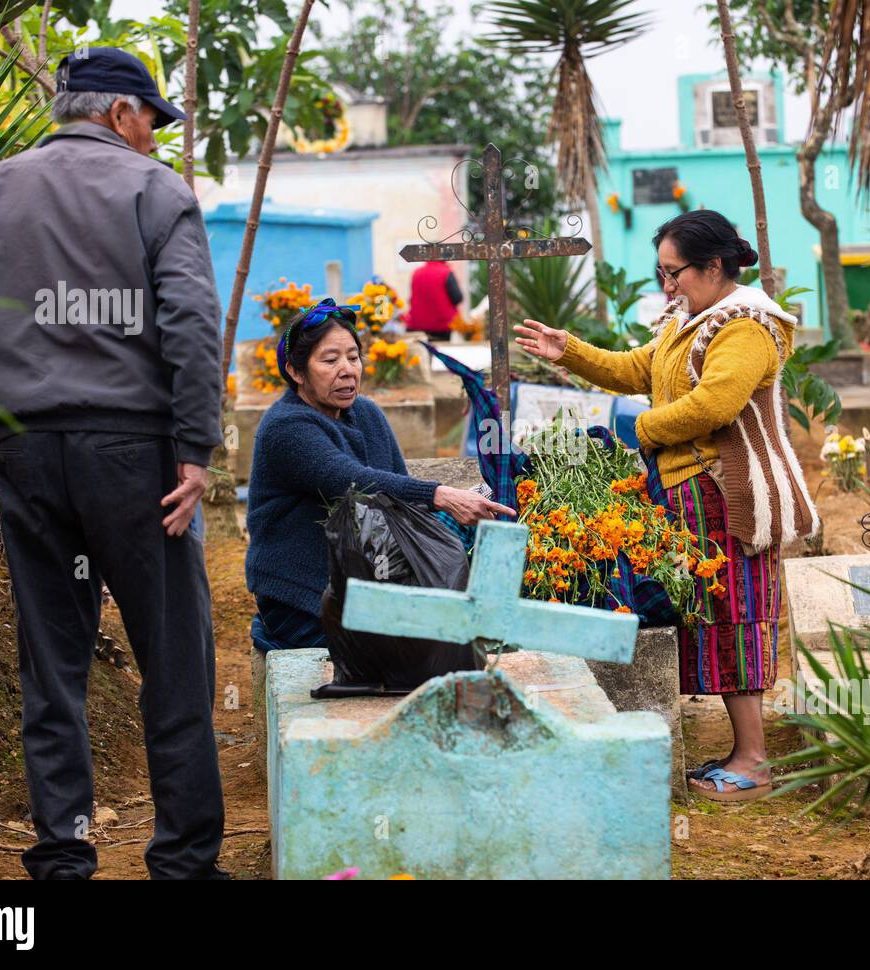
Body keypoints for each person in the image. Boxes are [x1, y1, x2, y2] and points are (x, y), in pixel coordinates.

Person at [0, 48, 227, 878]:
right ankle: (185, 862)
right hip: (137, 458)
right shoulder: (154, 191)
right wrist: (195, 449)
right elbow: (193, 323)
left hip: (23, 455)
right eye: (153, 124)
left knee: (52, 664)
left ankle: (62, 857)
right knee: (174, 662)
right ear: (123, 114)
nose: (154, 141)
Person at [514, 209, 819, 802]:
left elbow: (714, 405)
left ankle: (755, 761)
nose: (667, 285)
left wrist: (640, 430)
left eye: (674, 272)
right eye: (660, 273)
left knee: (739, 614)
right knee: (708, 614)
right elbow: (637, 368)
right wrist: (568, 350)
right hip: (687, 493)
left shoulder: (747, 328)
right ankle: (740, 749)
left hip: (726, 492)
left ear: (713, 266)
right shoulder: (688, 323)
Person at [245, 298, 513, 654]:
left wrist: (470, 501)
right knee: (424, 650)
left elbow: (403, 499)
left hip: (369, 581)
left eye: (353, 357)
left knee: (468, 630)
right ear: (296, 372)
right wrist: (441, 494)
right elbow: (350, 481)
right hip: (303, 598)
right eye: (329, 360)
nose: (347, 369)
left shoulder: (367, 415)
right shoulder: (285, 427)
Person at [403, 260, 464, 341]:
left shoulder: (416, 273)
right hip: (441, 327)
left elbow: (412, 298)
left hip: (417, 325)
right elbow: (457, 298)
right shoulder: (446, 272)